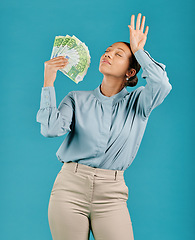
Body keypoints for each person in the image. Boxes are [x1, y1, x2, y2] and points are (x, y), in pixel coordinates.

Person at [36, 13, 172, 240]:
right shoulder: (75, 99)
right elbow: (49, 129)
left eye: (118, 54)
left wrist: (139, 51)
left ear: (130, 72)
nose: (108, 54)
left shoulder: (139, 102)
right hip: (69, 189)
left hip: (112, 194)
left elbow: (162, 84)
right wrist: (48, 81)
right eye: (108, 50)